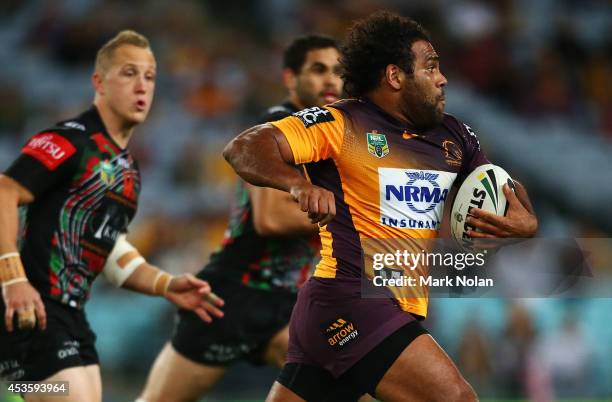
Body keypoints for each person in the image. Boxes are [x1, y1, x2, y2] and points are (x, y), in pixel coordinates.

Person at [223, 11, 538, 402]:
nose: (442, 79)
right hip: (350, 299)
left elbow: (499, 186)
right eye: (431, 67)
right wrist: (296, 184)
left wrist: (524, 222)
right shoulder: (341, 123)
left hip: (366, 311)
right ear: (394, 76)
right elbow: (245, 147)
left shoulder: (454, 134)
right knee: (456, 398)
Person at [0, 30, 224, 402]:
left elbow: (111, 252)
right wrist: (12, 280)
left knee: (53, 392)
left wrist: (165, 285)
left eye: (149, 77)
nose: (142, 86)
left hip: (72, 316)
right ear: (99, 83)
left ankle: (10, 391)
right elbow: (5, 190)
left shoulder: (127, 171)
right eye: (128, 73)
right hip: (32, 305)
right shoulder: (71, 140)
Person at [138, 35, 345, 402]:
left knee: (340, 384)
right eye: (318, 69)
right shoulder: (277, 128)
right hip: (233, 296)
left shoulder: (328, 141)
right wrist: (355, 217)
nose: (331, 80)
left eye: (338, 71)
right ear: (289, 78)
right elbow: (271, 219)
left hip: (286, 301)